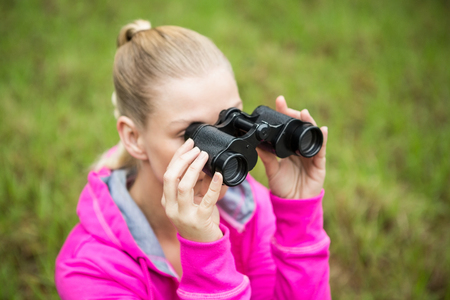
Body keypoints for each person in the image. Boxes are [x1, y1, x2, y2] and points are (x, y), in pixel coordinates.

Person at [55, 19, 331, 300]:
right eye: (193, 133)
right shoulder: (90, 269)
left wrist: (298, 217)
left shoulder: (250, 210)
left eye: (232, 120)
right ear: (134, 137)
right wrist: (206, 252)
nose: (222, 151)